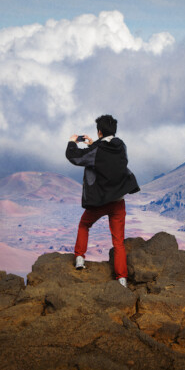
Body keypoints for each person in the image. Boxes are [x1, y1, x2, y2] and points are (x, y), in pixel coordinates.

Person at [66, 114, 140, 287]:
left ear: (99, 132)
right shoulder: (121, 146)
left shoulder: (97, 150)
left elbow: (76, 157)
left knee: (84, 225)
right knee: (118, 241)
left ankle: (79, 259)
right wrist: (95, 144)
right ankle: (122, 279)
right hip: (118, 202)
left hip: (99, 202)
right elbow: (108, 157)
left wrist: (72, 142)